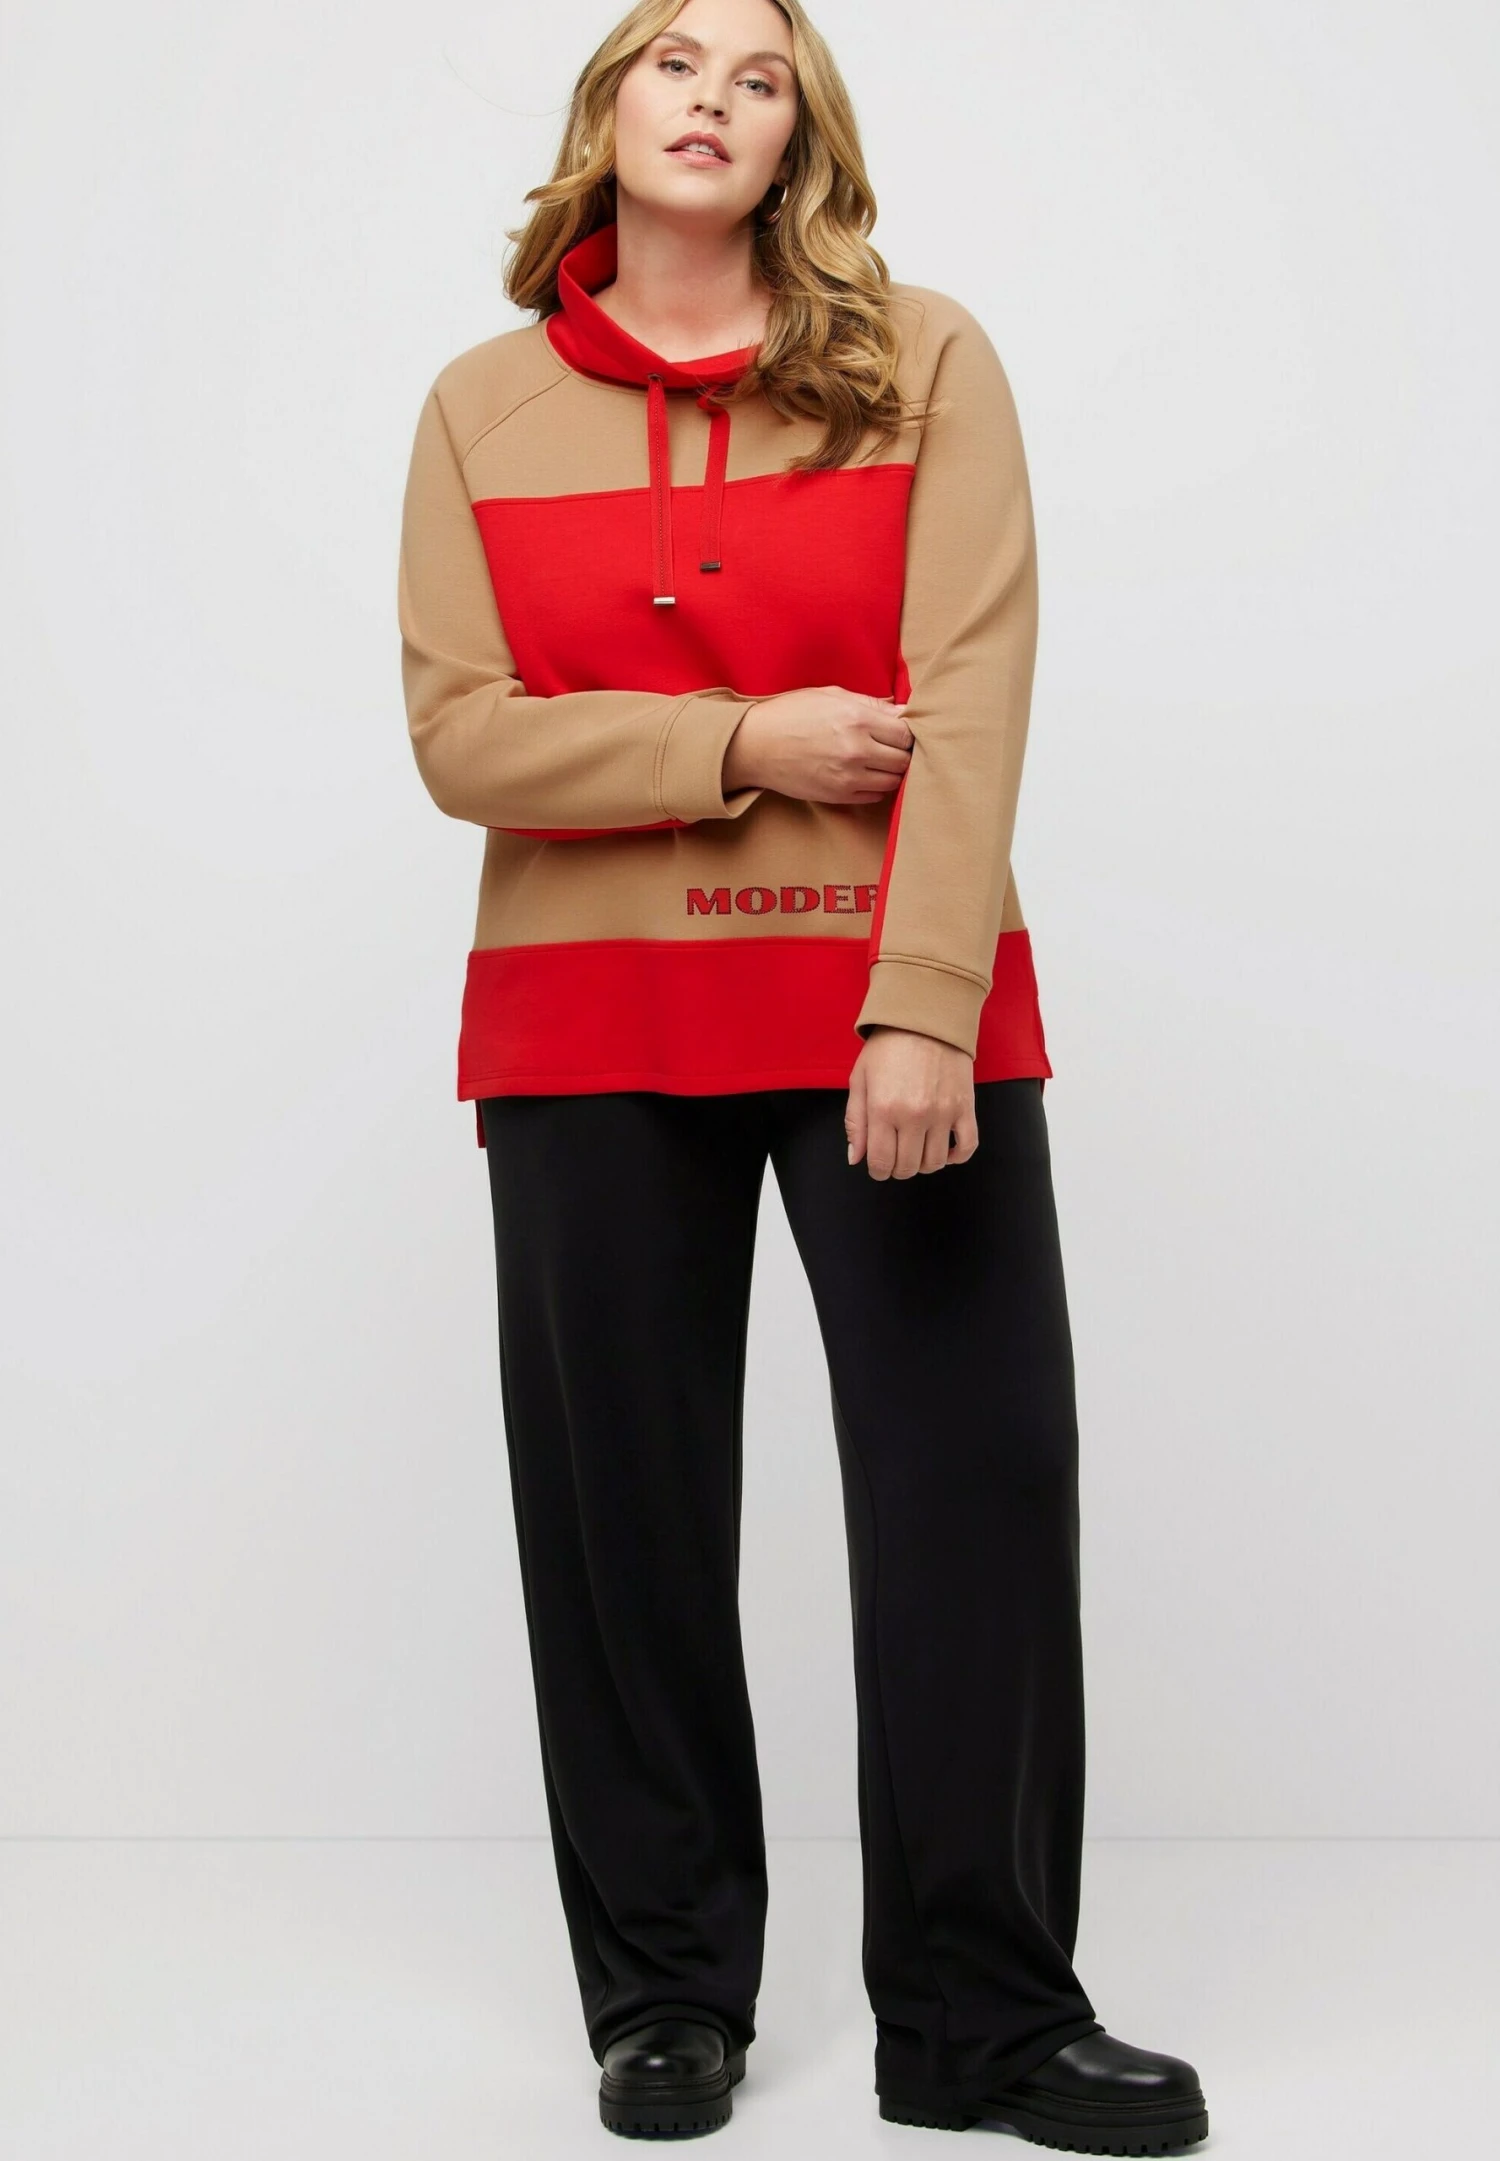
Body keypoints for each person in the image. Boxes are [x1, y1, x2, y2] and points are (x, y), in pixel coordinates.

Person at [397, 0, 1210, 2147]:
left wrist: (924, 996)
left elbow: (973, 684)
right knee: (626, 1526)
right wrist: (741, 740)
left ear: (799, 140)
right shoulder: (482, 406)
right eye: (675, 60)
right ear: (608, 112)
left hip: (886, 1007)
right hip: (589, 1020)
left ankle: (986, 2021)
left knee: (973, 1494)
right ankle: (665, 1996)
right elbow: (462, 738)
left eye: (760, 76)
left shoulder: (921, 361)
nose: (714, 97)